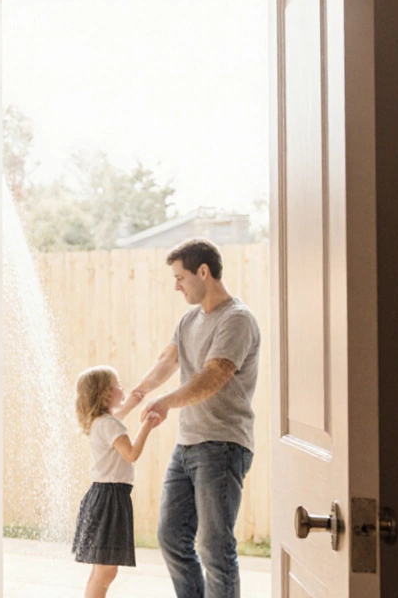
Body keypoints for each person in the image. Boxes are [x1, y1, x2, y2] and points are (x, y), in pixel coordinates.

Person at [132, 238, 261, 598]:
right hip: (187, 445)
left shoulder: (237, 319)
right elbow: (167, 362)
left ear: (203, 272)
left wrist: (165, 402)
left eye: (180, 277)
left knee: (215, 548)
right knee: (172, 537)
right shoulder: (189, 319)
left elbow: (213, 376)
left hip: (222, 445)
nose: (176, 286)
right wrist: (136, 395)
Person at [72, 365, 162, 598]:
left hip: (101, 496)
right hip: (110, 499)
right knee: (106, 572)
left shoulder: (100, 422)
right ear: (106, 394)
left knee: (101, 570)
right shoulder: (110, 424)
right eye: (118, 385)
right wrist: (147, 426)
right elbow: (131, 454)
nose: (123, 388)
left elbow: (116, 419)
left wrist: (130, 403)